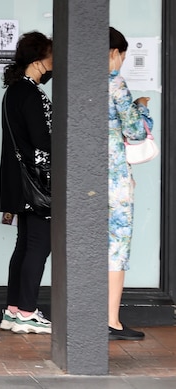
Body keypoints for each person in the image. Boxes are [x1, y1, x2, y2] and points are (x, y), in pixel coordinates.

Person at [0, 31, 54, 335]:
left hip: (20, 182)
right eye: (51, 56)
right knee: (39, 245)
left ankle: (14, 310)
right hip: (38, 182)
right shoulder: (30, 93)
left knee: (24, 245)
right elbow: (42, 139)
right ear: (38, 60)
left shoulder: (14, 91)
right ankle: (28, 311)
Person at [108, 26, 152, 341]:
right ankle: (111, 320)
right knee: (116, 249)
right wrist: (144, 108)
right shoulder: (116, 83)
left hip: (84, 178)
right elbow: (135, 132)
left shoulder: (77, 83)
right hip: (115, 181)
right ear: (115, 53)